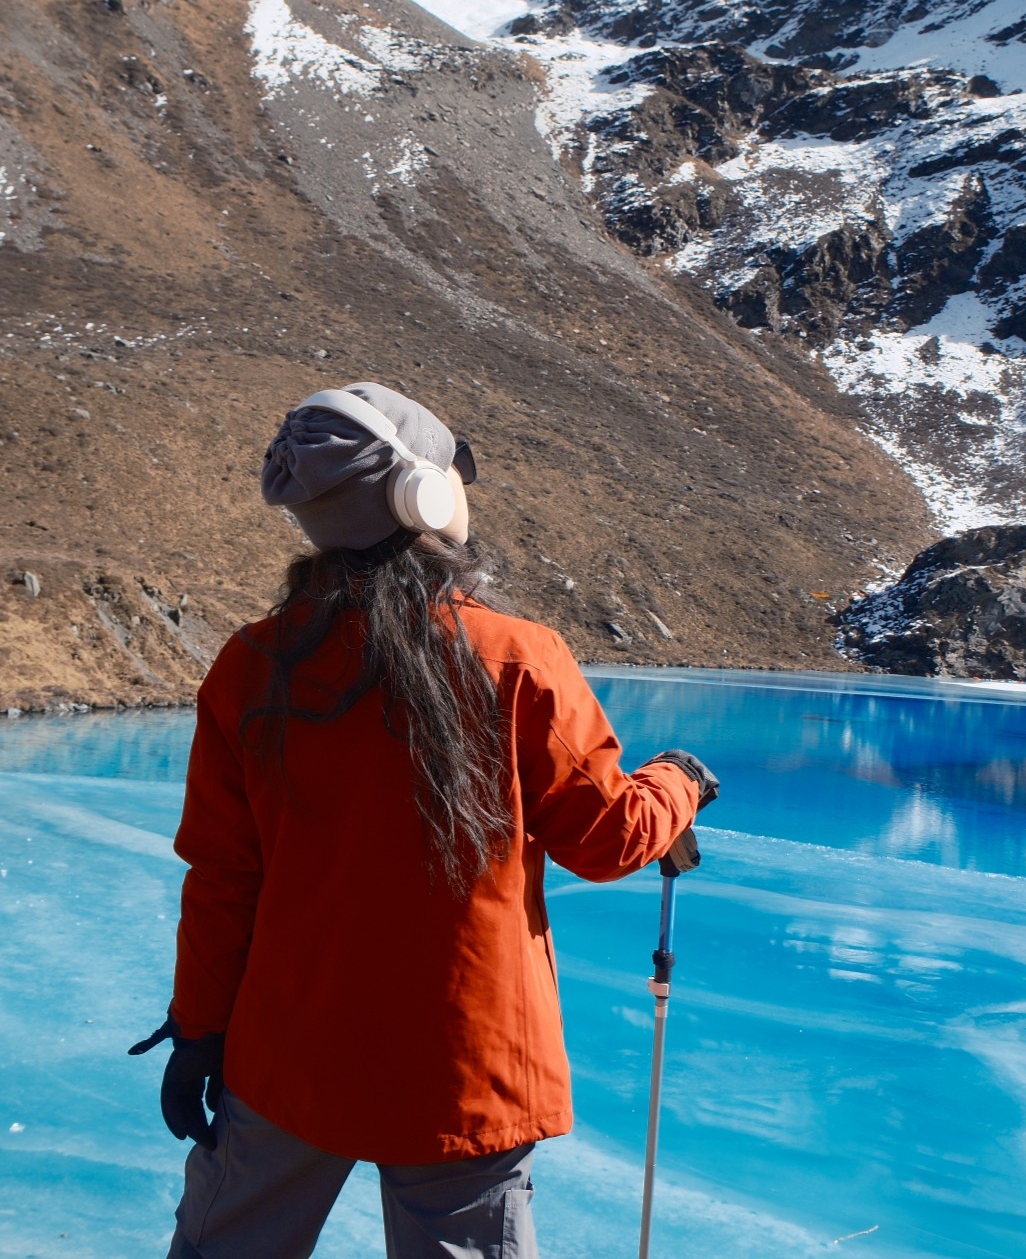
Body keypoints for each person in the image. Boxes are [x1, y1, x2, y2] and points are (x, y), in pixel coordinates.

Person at [130, 382, 718, 1259]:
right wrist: (677, 780)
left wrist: (201, 1028)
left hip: (288, 1054)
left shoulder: (252, 664)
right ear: (426, 498)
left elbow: (223, 876)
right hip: (463, 1068)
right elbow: (603, 839)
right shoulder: (517, 656)